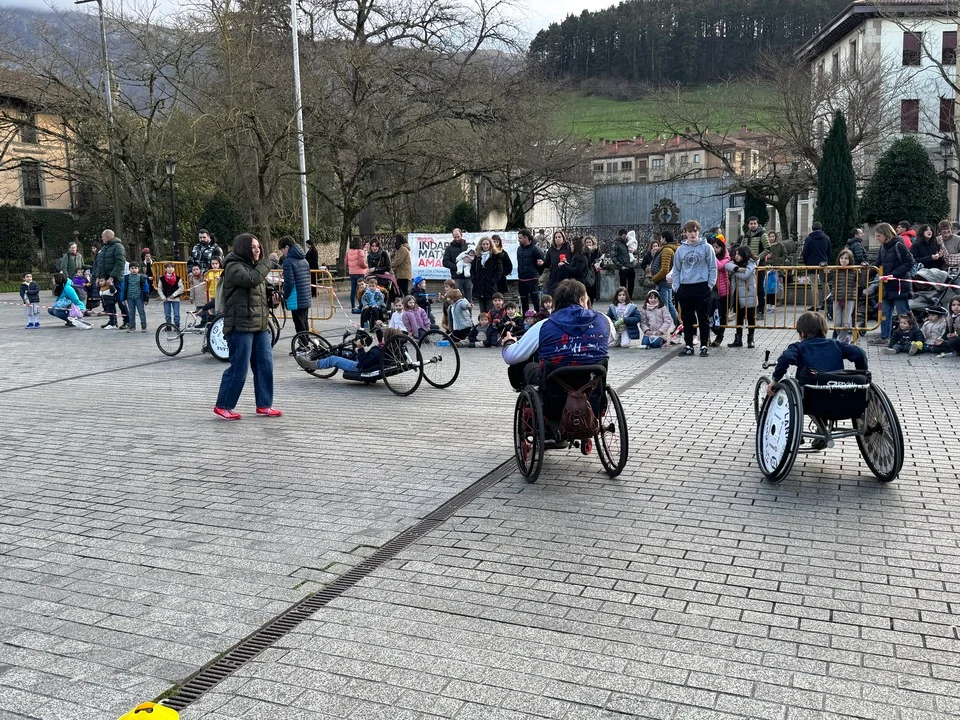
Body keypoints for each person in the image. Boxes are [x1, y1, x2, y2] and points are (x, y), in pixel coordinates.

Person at [501, 279, 616, 390]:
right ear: (581, 301)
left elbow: (510, 357)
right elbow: (611, 339)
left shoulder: (543, 325)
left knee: (529, 367)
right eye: (587, 301)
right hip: (592, 385)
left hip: (555, 389)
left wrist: (509, 341)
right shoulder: (604, 320)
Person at [214, 233, 281, 420]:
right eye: (253, 247)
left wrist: (273, 300)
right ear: (243, 248)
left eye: (258, 246)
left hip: (259, 325)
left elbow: (258, 294)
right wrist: (269, 262)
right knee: (239, 368)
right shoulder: (234, 266)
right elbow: (252, 279)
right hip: (240, 326)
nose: (257, 250)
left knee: (265, 365)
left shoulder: (254, 267)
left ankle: (264, 404)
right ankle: (223, 405)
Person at [768, 311, 867, 395]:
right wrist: (861, 375)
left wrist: (775, 379)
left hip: (809, 395)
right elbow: (859, 353)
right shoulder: (836, 345)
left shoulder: (799, 347)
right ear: (824, 330)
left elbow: (786, 357)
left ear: (802, 333)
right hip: (837, 392)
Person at [672, 220, 717, 357]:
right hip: (685, 287)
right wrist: (677, 287)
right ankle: (688, 345)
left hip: (702, 285)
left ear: (699, 232)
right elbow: (676, 270)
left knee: (703, 317)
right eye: (690, 231)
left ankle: (704, 345)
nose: (693, 234)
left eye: (695, 231)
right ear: (685, 233)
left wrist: (710, 285)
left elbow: (713, 267)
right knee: (687, 318)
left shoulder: (706, 248)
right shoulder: (680, 250)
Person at [870, 222, 914, 344]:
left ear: (886, 234)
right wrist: (865, 274)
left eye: (879, 236)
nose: (877, 239)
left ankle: (912, 337)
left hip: (899, 285)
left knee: (903, 313)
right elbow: (877, 264)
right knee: (885, 313)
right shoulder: (883, 248)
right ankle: (884, 337)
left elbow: (910, 262)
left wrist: (893, 275)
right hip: (886, 286)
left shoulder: (899, 245)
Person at [298, 328, 402, 374]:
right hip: (368, 363)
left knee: (333, 359)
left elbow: (364, 363)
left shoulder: (378, 351)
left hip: (359, 367)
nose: (381, 338)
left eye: (383, 336)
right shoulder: (392, 350)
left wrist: (360, 348)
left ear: (386, 339)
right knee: (345, 352)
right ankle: (326, 350)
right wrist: (379, 329)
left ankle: (311, 365)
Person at [725, 245, 758, 349]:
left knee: (750, 316)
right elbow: (727, 265)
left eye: (738, 254)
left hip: (748, 294)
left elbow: (745, 275)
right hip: (737, 294)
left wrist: (734, 271)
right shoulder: (735, 264)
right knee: (739, 316)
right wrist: (737, 269)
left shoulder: (751, 263)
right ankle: (738, 339)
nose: (736, 256)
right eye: (735, 254)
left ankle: (750, 339)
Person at [277, 236, 312, 334]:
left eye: (282, 249)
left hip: (296, 297)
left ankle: (303, 342)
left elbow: (289, 281)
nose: (282, 253)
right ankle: (306, 340)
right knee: (304, 321)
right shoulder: (304, 259)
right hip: (305, 296)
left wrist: (285, 294)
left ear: (287, 247)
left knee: (299, 323)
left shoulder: (288, 261)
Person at [740, 217, 770, 317]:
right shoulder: (746, 236)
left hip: (759, 266)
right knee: (749, 288)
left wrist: (757, 258)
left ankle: (761, 310)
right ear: (748, 225)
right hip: (748, 265)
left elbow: (768, 248)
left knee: (759, 287)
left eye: (754, 223)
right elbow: (742, 248)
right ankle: (750, 310)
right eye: (751, 223)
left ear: (757, 224)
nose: (753, 225)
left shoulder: (762, 234)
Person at [98, 229, 129, 328]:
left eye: (103, 236)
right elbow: (101, 263)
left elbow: (120, 263)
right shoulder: (105, 247)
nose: (102, 238)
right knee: (108, 301)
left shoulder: (118, 246)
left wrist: (112, 277)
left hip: (115, 279)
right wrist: (100, 277)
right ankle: (112, 322)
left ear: (108, 236)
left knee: (120, 300)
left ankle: (127, 321)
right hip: (106, 278)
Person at [830, 249, 859, 344]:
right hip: (837, 297)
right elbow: (825, 279)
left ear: (850, 260)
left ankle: (840, 340)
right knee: (837, 322)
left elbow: (862, 282)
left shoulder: (854, 271)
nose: (843, 260)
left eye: (846, 258)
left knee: (846, 322)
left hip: (849, 297)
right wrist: (823, 269)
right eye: (841, 258)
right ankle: (843, 338)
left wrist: (862, 271)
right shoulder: (834, 270)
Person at [801, 221, 831, 311]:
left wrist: (807, 262)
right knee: (825, 283)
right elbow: (829, 251)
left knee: (814, 285)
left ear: (812, 229)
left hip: (812, 263)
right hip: (823, 263)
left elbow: (805, 253)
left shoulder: (809, 239)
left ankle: (815, 305)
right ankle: (828, 303)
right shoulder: (826, 238)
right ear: (821, 228)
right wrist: (826, 260)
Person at [650, 230, 679, 325]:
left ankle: (672, 326)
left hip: (663, 284)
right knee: (668, 306)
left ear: (664, 239)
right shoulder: (666, 249)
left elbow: (664, 270)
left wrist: (654, 278)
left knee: (664, 307)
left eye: (661, 238)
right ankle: (677, 325)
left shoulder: (667, 250)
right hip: (664, 283)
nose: (660, 240)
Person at [470, 236, 504, 313]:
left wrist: (493, 280)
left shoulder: (495, 256)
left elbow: (499, 270)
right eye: (483, 244)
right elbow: (472, 270)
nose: (485, 246)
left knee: (490, 310)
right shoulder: (477, 256)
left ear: (490, 244)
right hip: (479, 286)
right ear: (481, 245)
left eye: (487, 244)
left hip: (490, 287)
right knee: (482, 311)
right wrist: (474, 279)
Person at [516, 229, 545, 313]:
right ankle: (525, 317)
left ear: (526, 238)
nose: (518, 240)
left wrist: (536, 275)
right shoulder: (519, 249)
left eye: (520, 238)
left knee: (535, 300)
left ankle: (539, 316)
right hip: (521, 280)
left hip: (532, 280)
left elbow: (541, 264)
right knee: (524, 301)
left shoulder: (536, 249)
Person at [709, 235, 730, 347]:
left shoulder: (726, 258)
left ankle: (720, 335)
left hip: (723, 291)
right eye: (713, 246)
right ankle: (714, 331)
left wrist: (712, 255)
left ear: (722, 248)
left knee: (722, 314)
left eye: (717, 247)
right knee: (710, 312)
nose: (714, 249)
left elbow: (720, 266)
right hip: (711, 290)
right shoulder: (710, 257)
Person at [120, 261, 151, 333]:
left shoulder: (142, 278)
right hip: (130, 297)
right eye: (132, 268)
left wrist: (146, 299)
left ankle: (144, 326)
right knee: (131, 312)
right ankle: (132, 326)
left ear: (138, 269)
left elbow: (146, 288)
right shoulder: (126, 278)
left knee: (141, 311)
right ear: (129, 269)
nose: (134, 270)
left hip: (139, 297)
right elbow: (123, 288)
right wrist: (123, 299)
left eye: (136, 268)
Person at [442, 228, 472, 301]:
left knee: (469, 299)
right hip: (456, 277)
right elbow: (445, 262)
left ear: (461, 235)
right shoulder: (449, 248)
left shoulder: (468, 246)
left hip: (468, 277)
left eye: (458, 236)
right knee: (457, 299)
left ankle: (469, 308)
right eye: (455, 237)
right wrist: (457, 267)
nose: (457, 239)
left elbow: (474, 258)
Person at [158, 262, 185, 328]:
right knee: (167, 314)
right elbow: (159, 288)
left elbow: (181, 288)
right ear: (166, 269)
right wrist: (163, 297)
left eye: (172, 267)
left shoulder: (178, 278)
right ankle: (168, 325)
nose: (171, 269)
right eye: (169, 267)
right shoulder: (162, 279)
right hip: (166, 299)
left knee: (176, 314)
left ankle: (177, 326)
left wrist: (174, 294)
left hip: (175, 299)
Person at [544, 230, 571, 296]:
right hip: (554, 276)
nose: (557, 239)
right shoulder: (551, 250)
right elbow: (547, 263)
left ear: (563, 238)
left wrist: (566, 262)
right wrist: (542, 263)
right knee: (552, 295)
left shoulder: (568, 248)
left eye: (559, 237)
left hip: (565, 277)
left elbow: (572, 262)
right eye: (555, 237)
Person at [345, 238, 368, 313]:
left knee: (353, 289)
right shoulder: (360, 251)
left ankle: (353, 306)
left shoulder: (349, 251)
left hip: (352, 273)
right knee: (361, 289)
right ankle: (361, 306)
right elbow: (361, 263)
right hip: (360, 272)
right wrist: (366, 266)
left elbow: (346, 263)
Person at [611, 228, 635, 298]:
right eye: (624, 236)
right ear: (620, 235)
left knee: (631, 286)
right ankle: (623, 299)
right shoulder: (616, 243)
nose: (625, 237)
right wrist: (621, 266)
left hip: (631, 267)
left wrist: (633, 251)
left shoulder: (628, 242)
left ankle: (630, 299)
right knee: (623, 287)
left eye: (626, 236)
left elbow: (633, 252)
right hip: (623, 268)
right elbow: (613, 257)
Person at [582, 235, 601, 304]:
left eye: (590, 242)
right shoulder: (583, 252)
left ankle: (591, 304)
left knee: (592, 292)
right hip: (587, 274)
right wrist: (588, 252)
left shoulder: (596, 251)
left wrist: (599, 264)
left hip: (595, 273)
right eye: (587, 242)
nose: (588, 244)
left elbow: (600, 260)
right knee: (586, 291)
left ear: (593, 243)